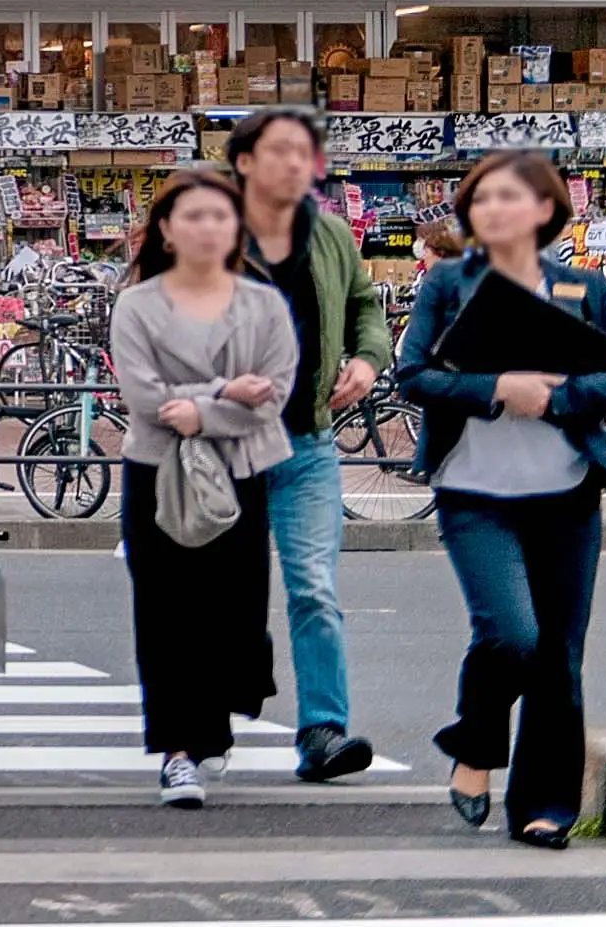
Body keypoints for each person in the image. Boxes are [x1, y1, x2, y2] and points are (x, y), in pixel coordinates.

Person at [398, 149, 606, 850]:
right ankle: (475, 742)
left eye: (507, 196)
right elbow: (411, 376)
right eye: (479, 199)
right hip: (474, 492)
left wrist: (560, 395)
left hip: (566, 493)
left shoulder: (585, 289)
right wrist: (496, 385)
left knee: (558, 656)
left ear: (545, 207)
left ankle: (545, 805)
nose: (490, 208)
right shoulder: (448, 284)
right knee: (511, 633)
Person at [110, 164, 299, 809]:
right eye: (192, 215)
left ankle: (210, 721)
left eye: (220, 215)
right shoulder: (136, 304)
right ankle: (177, 751)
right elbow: (142, 396)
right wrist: (220, 391)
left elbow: (275, 392)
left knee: (234, 609)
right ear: (165, 228)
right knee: (165, 611)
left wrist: (204, 413)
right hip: (158, 471)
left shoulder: (263, 302)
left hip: (242, 468)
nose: (208, 227)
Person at [229, 104, 390, 783]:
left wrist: (367, 359)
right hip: (223, 443)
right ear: (243, 162)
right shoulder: (210, 229)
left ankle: (321, 730)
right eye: (280, 150)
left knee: (314, 588)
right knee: (228, 593)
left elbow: (364, 304)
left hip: (308, 440)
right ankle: (239, 667)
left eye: (305, 152)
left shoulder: (328, 234)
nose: (297, 163)